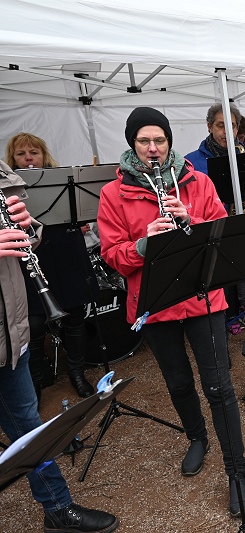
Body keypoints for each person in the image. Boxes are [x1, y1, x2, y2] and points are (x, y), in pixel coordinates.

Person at [97, 107, 245, 517]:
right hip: (154, 303)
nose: (153, 148)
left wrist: (192, 221)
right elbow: (112, 254)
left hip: (202, 298)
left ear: (169, 141)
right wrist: (143, 244)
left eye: (160, 140)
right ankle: (197, 437)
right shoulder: (114, 193)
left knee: (218, 386)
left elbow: (222, 230)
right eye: (144, 141)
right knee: (179, 382)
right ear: (132, 144)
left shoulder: (197, 181)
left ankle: (236, 471)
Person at [0, 159, 119, 532]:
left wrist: (27, 227)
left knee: (31, 431)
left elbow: (27, 238)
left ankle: (58, 508)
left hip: (9, 334)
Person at [5, 133, 97, 400]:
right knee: (34, 324)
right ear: (12, 158)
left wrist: (80, 219)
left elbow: (80, 211)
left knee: (75, 317)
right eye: (21, 154)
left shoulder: (61, 180)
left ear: (44, 155)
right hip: (31, 258)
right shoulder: (6, 188)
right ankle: (35, 381)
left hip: (66, 253)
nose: (29, 158)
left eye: (34, 152)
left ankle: (77, 373)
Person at [185, 104, 245, 344]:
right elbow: (190, 204)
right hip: (214, 238)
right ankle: (219, 343)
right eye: (220, 125)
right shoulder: (191, 162)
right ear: (209, 127)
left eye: (231, 126)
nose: (226, 131)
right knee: (218, 296)